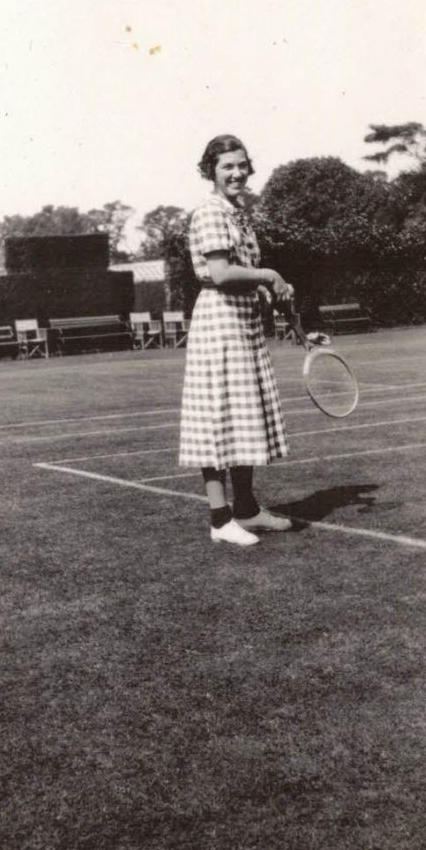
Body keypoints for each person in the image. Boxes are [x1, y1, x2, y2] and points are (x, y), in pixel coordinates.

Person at [178, 134, 294, 547]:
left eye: (242, 164)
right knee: (218, 418)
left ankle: (246, 509)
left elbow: (241, 273)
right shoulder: (210, 213)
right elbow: (222, 273)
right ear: (211, 170)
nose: (237, 172)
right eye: (227, 166)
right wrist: (268, 276)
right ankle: (220, 519)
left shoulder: (238, 214)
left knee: (245, 417)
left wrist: (268, 292)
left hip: (243, 324)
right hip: (219, 326)